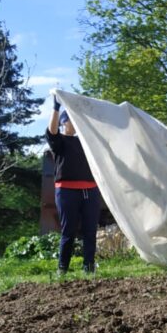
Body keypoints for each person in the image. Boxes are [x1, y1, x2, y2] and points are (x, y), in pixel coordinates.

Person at [46, 96, 101, 277]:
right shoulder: (59, 141)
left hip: (90, 190)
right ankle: (62, 269)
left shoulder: (86, 142)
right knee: (68, 231)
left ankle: (89, 267)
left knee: (90, 230)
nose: (75, 123)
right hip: (67, 191)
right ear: (63, 123)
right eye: (71, 119)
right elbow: (52, 131)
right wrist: (56, 108)